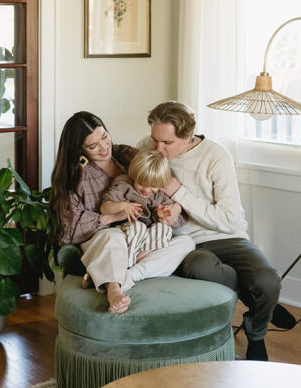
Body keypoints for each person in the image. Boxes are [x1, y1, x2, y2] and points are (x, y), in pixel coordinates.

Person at [144, 101, 295, 361]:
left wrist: (178, 192)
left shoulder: (215, 156)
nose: (158, 148)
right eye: (154, 139)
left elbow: (227, 219)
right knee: (201, 268)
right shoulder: (148, 148)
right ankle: (258, 301)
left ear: (187, 136)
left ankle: (256, 331)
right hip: (186, 243)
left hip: (228, 237)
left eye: (166, 143)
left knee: (269, 281)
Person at [49, 111, 194, 314]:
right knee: (113, 236)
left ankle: (126, 275)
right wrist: (114, 216)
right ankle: (114, 290)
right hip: (105, 238)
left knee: (186, 243)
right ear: (79, 149)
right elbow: (70, 228)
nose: (104, 147)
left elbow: (159, 184)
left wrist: (172, 209)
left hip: (141, 238)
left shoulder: (127, 154)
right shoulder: (75, 177)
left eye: (104, 137)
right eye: (93, 146)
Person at [101, 149, 188, 269]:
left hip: (146, 240)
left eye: (153, 186)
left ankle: (139, 259)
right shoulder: (124, 185)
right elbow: (104, 208)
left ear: (161, 184)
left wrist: (163, 215)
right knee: (139, 227)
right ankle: (125, 265)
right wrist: (121, 206)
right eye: (141, 183)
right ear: (134, 175)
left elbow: (178, 221)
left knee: (164, 229)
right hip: (126, 231)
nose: (146, 190)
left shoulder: (161, 195)